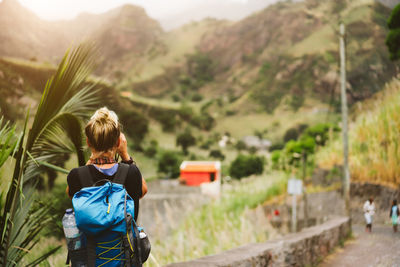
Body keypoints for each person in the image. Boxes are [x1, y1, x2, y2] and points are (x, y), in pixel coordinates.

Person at [66, 107, 147, 222]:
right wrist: (125, 155)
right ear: (119, 142)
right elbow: (143, 190)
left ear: (88, 142)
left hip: (90, 240)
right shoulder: (131, 173)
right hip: (124, 240)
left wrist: (93, 157)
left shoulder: (76, 175)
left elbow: (71, 194)